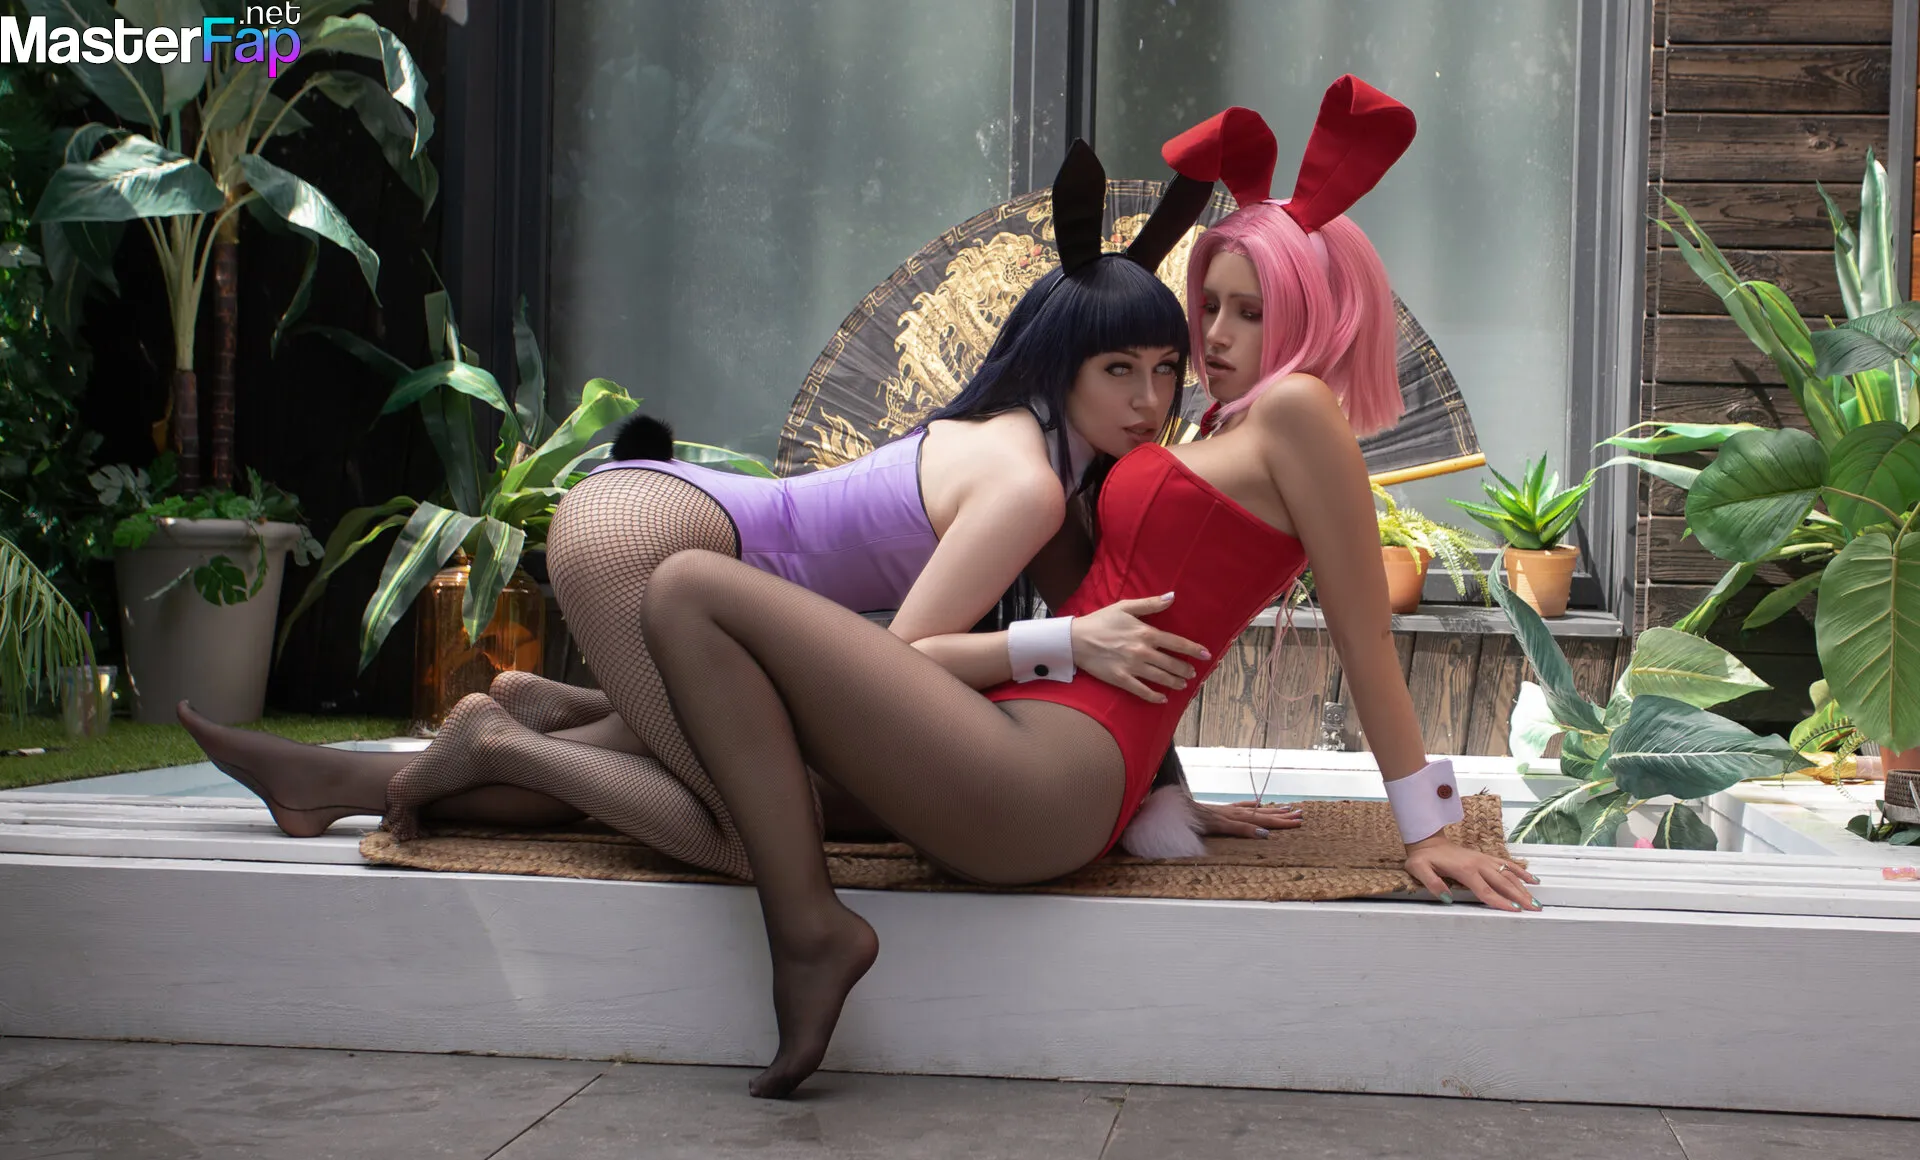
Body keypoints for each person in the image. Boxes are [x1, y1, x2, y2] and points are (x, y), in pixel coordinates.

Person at [596, 78, 1543, 1099]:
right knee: (695, 746)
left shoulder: (1300, 413)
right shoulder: (1217, 425)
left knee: (690, 587)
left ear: (1316, 310)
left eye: (1251, 312)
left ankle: (809, 932)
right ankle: (496, 741)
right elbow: (1133, 601)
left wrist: (1430, 826)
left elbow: (1365, 638)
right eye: (1209, 307)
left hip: (1051, 776)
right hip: (1030, 742)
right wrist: (1170, 790)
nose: (1217, 336)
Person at [177, 141, 1301, 877]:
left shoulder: (1042, 459)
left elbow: (1115, 632)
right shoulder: (1026, 482)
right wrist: (1059, 646)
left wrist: (1165, 792)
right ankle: (506, 738)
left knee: (712, 764)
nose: (1152, 399)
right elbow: (911, 662)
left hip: (674, 533)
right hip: (657, 549)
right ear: (1061, 363)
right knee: (749, 822)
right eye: (1121, 371)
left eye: (1168, 370)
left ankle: (343, 777)